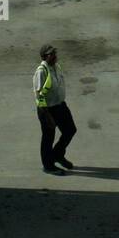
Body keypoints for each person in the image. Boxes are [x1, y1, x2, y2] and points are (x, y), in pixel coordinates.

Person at [33, 44, 77, 174]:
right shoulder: (41, 71)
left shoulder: (56, 67)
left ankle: (57, 155)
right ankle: (48, 165)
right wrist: (46, 115)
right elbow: (39, 95)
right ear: (45, 56)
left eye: (55, 53)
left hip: (60, 105)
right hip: (47, 109)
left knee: (70, 130)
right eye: (51, 54)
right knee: (48, 138)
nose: (55, 56)